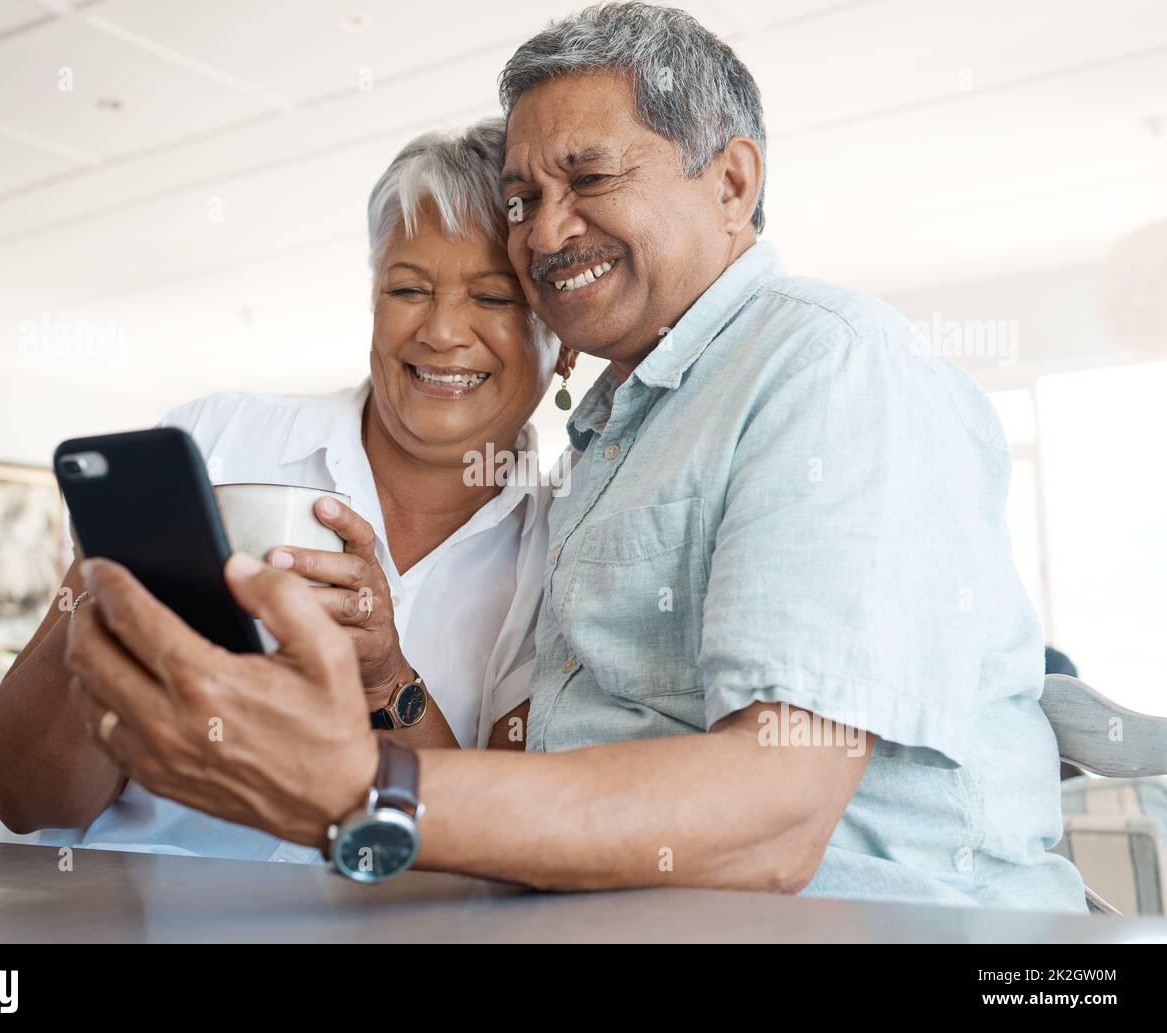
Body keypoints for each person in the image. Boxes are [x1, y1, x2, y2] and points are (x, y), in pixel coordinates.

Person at [62, 3, 1086, 909]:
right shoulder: (614, 428)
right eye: (521, 197)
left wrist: (359, 788)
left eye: (588, 178)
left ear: (731, 182)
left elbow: (777, 812)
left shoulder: (826, 366)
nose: (544, 232)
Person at [0, 118, 574, 861]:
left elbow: (494, 853)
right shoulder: (214, 443)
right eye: (408, 287)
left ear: (562, 336)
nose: (443, 331)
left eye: (492, 298)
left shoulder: (565, 545)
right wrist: (115, 626)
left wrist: (388, 681)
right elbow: (22, 795)